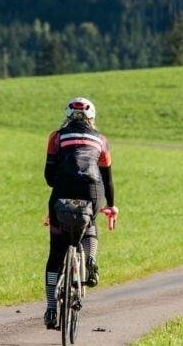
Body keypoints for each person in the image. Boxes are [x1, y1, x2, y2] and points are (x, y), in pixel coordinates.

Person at [42, 97, 118, 330]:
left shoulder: (56, 137)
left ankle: (52, 308)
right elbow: (107, 178)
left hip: (62, 189)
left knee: (56, 252)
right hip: (93, 190)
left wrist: (63, 180)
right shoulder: (101, 140)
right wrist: (111, 205)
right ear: (92, 118)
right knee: (90, 224)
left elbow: (48, 177)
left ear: (68, 116)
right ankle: (91, 260)